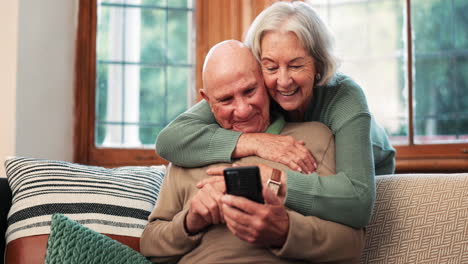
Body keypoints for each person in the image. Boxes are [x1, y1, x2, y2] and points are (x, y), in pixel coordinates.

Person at [155, 1, 396, 229]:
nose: (283, 81)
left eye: (296, 65)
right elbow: (169, 140)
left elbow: (358, 202)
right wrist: (253, 142)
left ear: (319, 65)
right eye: (270, 67)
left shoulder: (345, 96)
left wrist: (272, 180)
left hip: (372, 171)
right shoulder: (255, 90)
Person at [140, 40, 364, 264]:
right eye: (226, 99)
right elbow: (150, 245)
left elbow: (352, 245)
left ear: (265, 83)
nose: (243, 110)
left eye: (250, 91)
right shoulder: (188, 151)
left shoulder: (315, 138)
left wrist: (285, 230)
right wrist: (190, 221)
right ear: (207, 100)